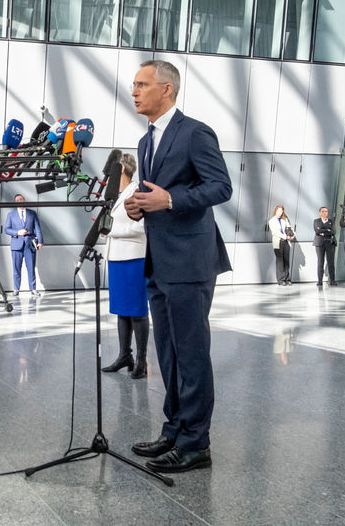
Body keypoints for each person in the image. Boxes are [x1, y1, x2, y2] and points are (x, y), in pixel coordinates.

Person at [123, 60, 232, 474]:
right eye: (133, 85)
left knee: (191, 355)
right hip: (159, 260)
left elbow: (220, 186)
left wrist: (169, 201)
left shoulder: (195, 132)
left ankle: (195, 444)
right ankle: (173, 430)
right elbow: (153, 193)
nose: (134, 91)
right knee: (167, 354)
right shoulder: (145, 141)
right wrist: (138, 207)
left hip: (189, 261)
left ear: (166, 89)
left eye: (141, 84)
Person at [102, 153, 149, 379]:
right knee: (122, 310)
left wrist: (112, 231)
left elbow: (143, 227)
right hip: (116, 257)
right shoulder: (113, 195)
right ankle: (124, 355)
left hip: (133, 258)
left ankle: (141, 359)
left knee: (137, 311)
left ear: (121, 169)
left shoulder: (137, 191)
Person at [4, 193, 43, 295]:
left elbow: (37, 228)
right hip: (16, 244)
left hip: (30, 244)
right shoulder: (11, 214)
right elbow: (6, 229)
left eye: (21, 199)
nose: (19, 201)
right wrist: (17, 232)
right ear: (15, 203)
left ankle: (33, 289)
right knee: (16, 268)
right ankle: (16, 289)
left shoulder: (32, 213)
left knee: (31, 268)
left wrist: (40, 241)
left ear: (25, 200)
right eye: (17, 200)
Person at [267, 205, 295, 286]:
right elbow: (275, 232)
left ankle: (287, 279)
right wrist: (285, 237)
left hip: (286, 242)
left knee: (286, 261)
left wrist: (292, 235)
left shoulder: (284, 220)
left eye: (281, 210)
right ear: (276, 211)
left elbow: (289, 228)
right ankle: (281, 280)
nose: (280, 212)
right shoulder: (272, 221)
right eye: (279, 210)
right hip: (278, 242)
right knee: (280, 261)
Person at [313, 207, 336, 288]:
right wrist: (327, 230)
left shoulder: (331, 221)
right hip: (320, 243)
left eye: (326, 211)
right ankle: (319, 281)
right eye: (323, 211)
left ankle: (332, 280)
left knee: (331, 262)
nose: (325, 213)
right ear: (320, 213)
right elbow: (317, 231)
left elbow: (333, 232)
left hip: (330, 243)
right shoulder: (316, 221)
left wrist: (323, 231)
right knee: (320, 262)